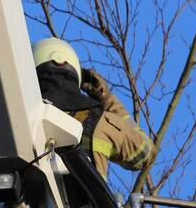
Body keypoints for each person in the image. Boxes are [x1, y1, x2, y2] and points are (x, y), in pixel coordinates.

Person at [31, 37, 155, 180]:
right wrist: (106, 99)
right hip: (85, 201)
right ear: (75, 72)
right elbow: (145, 153)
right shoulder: (101, 121)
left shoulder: (22, 115)